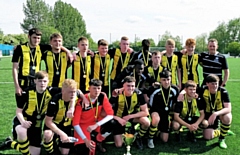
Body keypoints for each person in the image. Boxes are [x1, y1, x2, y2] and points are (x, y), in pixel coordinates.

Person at [0, 71, 61, 155]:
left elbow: (70, 90)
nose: (42, 83)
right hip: (23, 121)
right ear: (35, 81)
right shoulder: (26, 92)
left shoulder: (52, 91)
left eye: (44, 81)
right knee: (22, 131)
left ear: (48, 81)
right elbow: (18, 111)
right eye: (39, 81)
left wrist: (80, 97)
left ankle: (10, 143)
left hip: (36, 125)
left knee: (35, 153)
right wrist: (23, 122)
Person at [12, 28, 72, 96]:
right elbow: (15, 68)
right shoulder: (19, 49)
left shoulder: (41, 48)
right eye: (34, 37)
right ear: (29, 37)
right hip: (23, 82)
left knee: (37, 105)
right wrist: (17, 86)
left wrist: (68, 51)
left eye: (38, 38)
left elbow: (57, 46)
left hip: (37, 82)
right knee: (22, 106)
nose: (36, 40)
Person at [43, 79, 86, 155]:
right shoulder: (54, 101)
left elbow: (79, 91)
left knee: (65, 153)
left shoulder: (75, 95)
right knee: (47, 134)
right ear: (63, 91)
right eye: (70, 92)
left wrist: (85, 99)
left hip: (67, 126)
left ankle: (58, 142)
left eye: (74, 92)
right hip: (54, 125)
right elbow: (48, 122)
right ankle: (51, 152)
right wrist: (62, 134)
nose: (73, 94)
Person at [73, 79, 114, 155]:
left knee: (112, 123)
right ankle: (88, 141)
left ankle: (99, 141)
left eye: (99, 88)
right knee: (84, 149)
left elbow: (110, 115)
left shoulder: (102, 96)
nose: (97, 91)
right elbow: (75, 123)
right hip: (84, 126)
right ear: (89, 89)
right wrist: (85, 140)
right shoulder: (81, 101)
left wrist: (96, 125)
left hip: (96, 124)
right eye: (94, 88)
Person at [110, 76, 150, 150]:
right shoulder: (116, 94)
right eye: (128, 86)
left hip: (131, 117)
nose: (131, 88)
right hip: (119, 119)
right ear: (123, 85)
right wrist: (119, 119)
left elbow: (146, 112)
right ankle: (119, 132)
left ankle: (138, 136)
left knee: (146, 122)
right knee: (119, 145)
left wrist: (130, 116)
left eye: (132, 86)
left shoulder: (138, 93)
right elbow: (107, 113)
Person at [147, 70, 179, 148]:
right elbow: (150, 103)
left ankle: (156, 131)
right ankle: (150, 138)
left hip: (166, 113)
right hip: (155, 111)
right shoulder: (155, 89)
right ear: (160, 80)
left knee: (165, 139)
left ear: (171, 79)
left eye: (168, 79)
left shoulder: (174, 89)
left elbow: (175, 103)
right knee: (156, 118)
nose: (166, 82)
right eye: (164, 80)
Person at [200, 74, 232, 149]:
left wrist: (216, 113)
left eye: (216, 83)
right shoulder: (202, 90)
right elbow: (190, 89)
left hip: (220, 113)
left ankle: (222, 139)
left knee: (228, 117)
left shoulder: (223, 91)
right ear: (207, 84)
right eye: (212, 84)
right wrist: (182, 94)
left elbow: (228, 108)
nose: (215, 86)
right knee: (207, 136)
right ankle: (222, 131)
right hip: (208, 114)